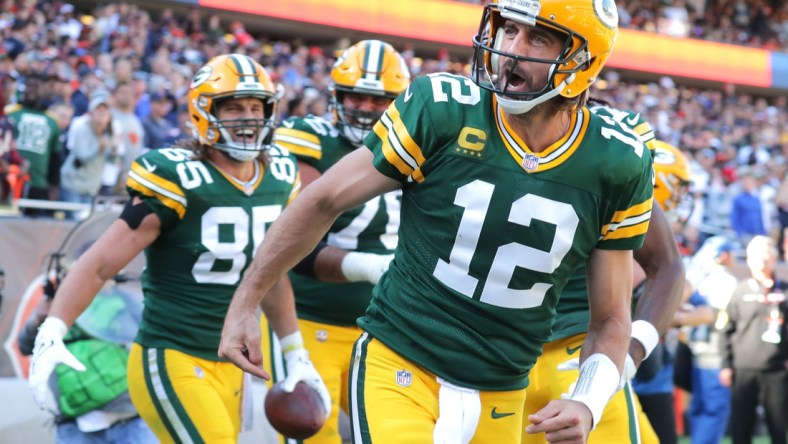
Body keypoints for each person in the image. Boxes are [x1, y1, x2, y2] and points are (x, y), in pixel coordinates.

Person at [220, 1, 655, 442]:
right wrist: (246, 302)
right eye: (508, 30)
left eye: (536, 37)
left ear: (583, 60)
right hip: (402, 360)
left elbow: (611, 318)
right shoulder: (443, 109)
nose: (511, 50)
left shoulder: (618, 161)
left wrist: (588, 399)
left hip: (503, 389)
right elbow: (322, 201)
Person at [27, 54, 331, 444]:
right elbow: (100, 264)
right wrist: (52, 329)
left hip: (231, 363)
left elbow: (270, 276)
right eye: (234, 107)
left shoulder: (280, 176)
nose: (248, 118)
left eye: (256, 107)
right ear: (205, 112)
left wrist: (295, 352)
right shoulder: (176, 177)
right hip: (172, 354)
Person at [266, 39, 410, 444]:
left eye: (377, 100)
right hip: (312, 320)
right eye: (355, 97)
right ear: (336, 95)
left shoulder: (422, 148)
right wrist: (369, 266)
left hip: (384, 325)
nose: (364, 109)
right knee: (313, 434)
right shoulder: (310, 139)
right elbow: (297, 246)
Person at [522, 125, 687, 443]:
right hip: (581, 352)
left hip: (498, 355)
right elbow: (667, 267)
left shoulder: (489, 147)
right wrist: (632, 350)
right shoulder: (611, 164)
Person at [719, 235, 788, 444]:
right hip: (743, 369)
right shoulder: (740, 291)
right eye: (757, 255)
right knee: (741, 426)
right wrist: (726, 365)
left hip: (777, 369)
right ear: (748, 259)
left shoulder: (784, 290)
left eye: (767, 254)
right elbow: (725, 330)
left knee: (778, 426)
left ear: (775, 258)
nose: (762, 259)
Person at [684, 236, 737, 444]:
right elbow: (723, 321)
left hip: (696, 352)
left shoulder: (695, 279)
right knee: (714, 411)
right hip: (715, 355)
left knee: (699, 409)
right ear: (723, 256)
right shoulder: (725, 280)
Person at [5, 72, 62, 215]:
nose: (31, 90)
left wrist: (54, 186)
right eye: (28, 86)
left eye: (36, 86)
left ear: (44, 89)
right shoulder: (9, 112)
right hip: (9, 180)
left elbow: (55, 158)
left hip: (38, 183)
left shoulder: (53, 120)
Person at [59, 92, 119, 217]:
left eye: (105, 110)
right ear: (91, 113)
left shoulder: (109, 133)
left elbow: (113, 161)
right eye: (98, 110)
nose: (101, 113)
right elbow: (82, 156)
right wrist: (100, 148)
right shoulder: (81, 129)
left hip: (91, 187)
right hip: (73, 185)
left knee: (86, 223)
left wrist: (114, 149)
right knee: (74, 222)